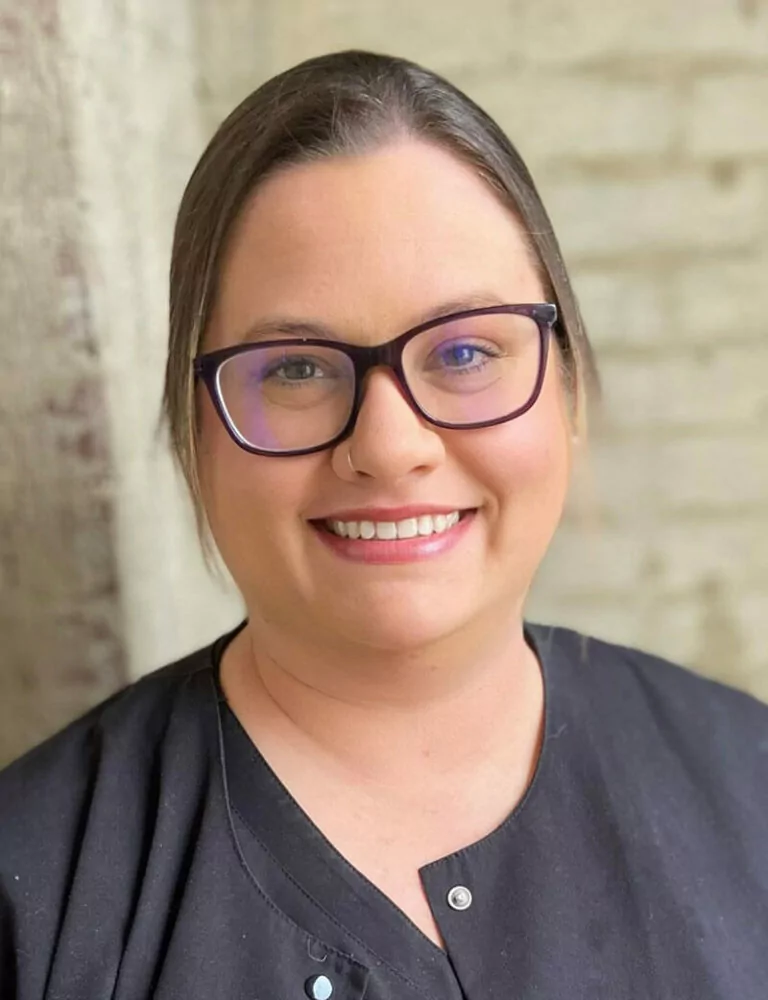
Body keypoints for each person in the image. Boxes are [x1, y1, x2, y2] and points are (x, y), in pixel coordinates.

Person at [1, 49, 766, 1000]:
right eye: (294, 368)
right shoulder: (35, 900)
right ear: (194, 431)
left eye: (464, 350)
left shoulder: (751, 787)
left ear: (566, 391)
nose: (390, 445)